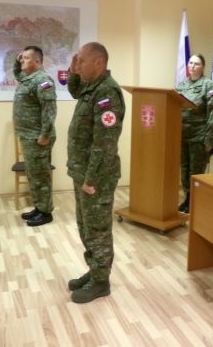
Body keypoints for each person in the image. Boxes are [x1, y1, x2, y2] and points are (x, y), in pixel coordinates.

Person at [66, 42, 125, 303]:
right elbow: (74, 91)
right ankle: (94, 270)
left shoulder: (107, 93)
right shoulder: (91, 87)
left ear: (98, 63)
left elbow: (105, 143)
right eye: (77, 61)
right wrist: (73, 70)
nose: (78, 66)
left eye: (82, 61)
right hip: (83, 172)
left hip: (96, 177)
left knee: (97, 229)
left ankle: (101, 282)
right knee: (86, 227)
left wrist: (91, 179)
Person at [12, 46, 57, 227]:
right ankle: (39, 207)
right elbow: (18, 74)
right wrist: (17, 61)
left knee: (40, 176)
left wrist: (45, 135)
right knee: (33, 174)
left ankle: (46, 213)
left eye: (27, 58)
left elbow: (49, 111)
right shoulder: (28, 79)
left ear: (37, 61)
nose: (23, 60)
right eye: (22, 58)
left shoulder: (43, 81)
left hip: (38, 137)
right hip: (28, 136)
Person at [175, 53, 213, 214]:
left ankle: (196, 201)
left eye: (197, 64)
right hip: (182, 135)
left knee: (196, 171)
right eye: (191, 63)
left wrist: (209, 139)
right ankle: (188, 198)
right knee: (184, 168)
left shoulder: (208, 85)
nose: (192, 66)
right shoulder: (182, 85)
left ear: (203, 67)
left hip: (199, 136)